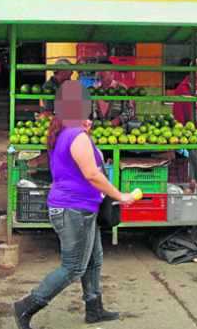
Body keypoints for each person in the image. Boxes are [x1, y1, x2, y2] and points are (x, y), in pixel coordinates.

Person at [13, 80, 135, 329]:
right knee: (72, 268)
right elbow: (92, 174)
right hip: (73, 210)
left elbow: (94, 159)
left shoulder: (70, 133)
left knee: (94, 260)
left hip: (82, 208)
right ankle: (26, 306)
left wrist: (86, 133)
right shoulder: (75, 136)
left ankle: (94, 308)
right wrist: (120, 196)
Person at [91, 59, 135, 126]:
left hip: (117, 133)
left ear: (112, 72)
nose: (100, 73)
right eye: (98, 70)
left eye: (104, 70)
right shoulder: (94, 89)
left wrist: (119, 119)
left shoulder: (122, 88)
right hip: (97, 131)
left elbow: (131, 111)